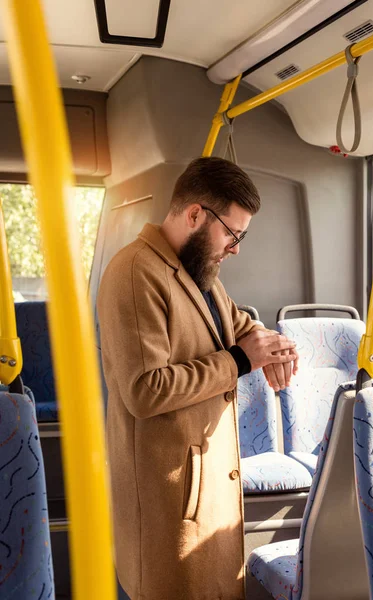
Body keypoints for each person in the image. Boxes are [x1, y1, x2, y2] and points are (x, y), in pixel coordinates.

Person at [97, 157, 298, 600]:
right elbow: (145, 391)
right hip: (169, 500)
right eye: (233, 232)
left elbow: (238, 325)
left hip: (205, 486)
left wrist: (274, 344)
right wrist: (241, 362)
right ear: (194, 215)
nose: (236, 247)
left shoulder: (201, 274)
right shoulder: (135, 273)